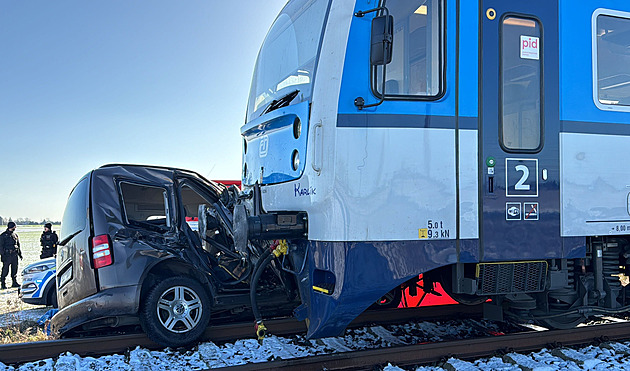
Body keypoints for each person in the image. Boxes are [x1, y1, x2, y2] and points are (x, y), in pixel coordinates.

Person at [0, 222, 22, 289]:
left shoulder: (15, 235)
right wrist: (3, 254)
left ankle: (14, 282)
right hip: (7, 255)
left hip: (14, 255)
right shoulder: (3, 236)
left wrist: (20, 254)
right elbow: (0, 246)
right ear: (11, 227)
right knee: (5, 269)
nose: (15, 228)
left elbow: (18, 245)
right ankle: (3, 283)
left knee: (14, 269)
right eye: (14, 226)